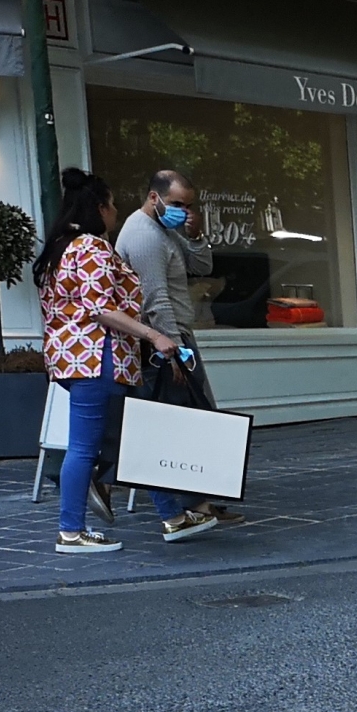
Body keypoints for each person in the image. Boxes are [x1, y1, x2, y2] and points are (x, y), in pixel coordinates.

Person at [39, 170, 217, 553]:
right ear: (99, 208)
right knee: (86, 447)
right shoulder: (90, 248)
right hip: (98, 357)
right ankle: (71, 530)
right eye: (112, 205)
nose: (116, 211)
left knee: (137, 436)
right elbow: (102, 309)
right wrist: (154, 335)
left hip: (78, 358)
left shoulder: (63, 246)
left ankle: (172, 515)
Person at [117, 166, 233, 519]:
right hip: (166, 341)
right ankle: (192, 502)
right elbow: (155, 299)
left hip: (178, 334)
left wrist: (195, 236)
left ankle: (202, 499)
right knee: (183, 421)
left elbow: (201, 265)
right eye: (176, 203)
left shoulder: (164, 230)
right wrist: (173, 353)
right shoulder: (144, 236)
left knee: (197, 417)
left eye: (188, 205)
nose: (182, 210)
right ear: (154, 197)